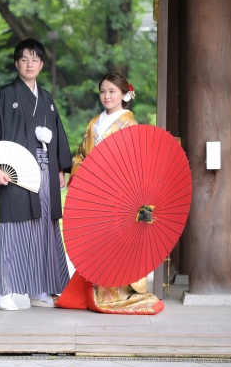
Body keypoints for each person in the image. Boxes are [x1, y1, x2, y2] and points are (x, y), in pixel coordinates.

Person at [0, 38, 72, 311]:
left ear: (42, 64)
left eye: (35, 60)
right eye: (24, 59)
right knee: (13, 229)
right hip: (16, 174)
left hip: (45, 173)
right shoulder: (6, 95)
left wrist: (61, 169)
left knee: (43, 230)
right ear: (17, 63)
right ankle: (3, 293)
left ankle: (39, 290)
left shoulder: (48, 100)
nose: (30, 65)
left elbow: (59, 138)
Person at [56, 72, 165, 314]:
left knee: (114, 241)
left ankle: (115, 292)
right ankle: (92, 290)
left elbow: (135, 162)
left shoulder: (129, 124)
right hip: (93, 191)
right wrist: (83, 173)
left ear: (125, 94)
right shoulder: (95, 122)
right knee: (95, 240)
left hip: (117, 193)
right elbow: (81, 155)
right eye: (103, 91)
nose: (107, 96)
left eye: (112, 91)